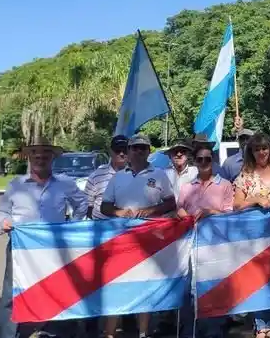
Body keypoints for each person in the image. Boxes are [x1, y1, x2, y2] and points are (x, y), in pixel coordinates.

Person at [0, 136, 88, 338]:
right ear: (29, 156)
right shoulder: (15, 185)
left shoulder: (65, 183)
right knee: (13, 292)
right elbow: (3, 212)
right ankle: (7, 334)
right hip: (21, 248)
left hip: (53, 249)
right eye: (35, 153)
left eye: (46, 153)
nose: (40, 157)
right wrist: (4, 223)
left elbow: (82, 204)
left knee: (55, 290)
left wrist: (71, 227)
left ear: (53, 158)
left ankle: (53, 332)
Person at [100, 134, 177, 338]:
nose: (139, 151)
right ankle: (110, 333)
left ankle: (143, 333)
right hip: (121, 238)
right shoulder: (118, 177)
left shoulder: (159, 174)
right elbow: (104, 206)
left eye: (143, 148)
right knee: (116, 283)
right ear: (129, 151)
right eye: (135, 148)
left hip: (149, 237)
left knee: (144, 283)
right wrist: (118, 212)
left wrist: (151, 211)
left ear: (149, 151)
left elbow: (171, 203)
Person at [233, 133, 270, 338]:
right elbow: (237, 204)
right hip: (254, 238)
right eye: (257, 149)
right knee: (259, 278)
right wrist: (256, 198)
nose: (261, 152)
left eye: (264, 148)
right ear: (251, 151)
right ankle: (261, 324)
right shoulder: (245, 175)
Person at [177, 142, 233, 338]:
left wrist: (211, 212)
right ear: (195, 161)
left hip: (215, 244)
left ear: (213, 161)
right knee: (190, 289)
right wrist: (183, 214)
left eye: (207, 159)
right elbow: (179, 208)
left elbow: (230, 214)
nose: (203, 163)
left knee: (213, 287)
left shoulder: (225, 185)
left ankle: (214, 331)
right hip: (190, 243)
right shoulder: (186, 187)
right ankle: (189, 330)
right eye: (199, 159)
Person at [83, 134, 129, 219]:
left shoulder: (136, 174)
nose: (122, 154)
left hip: (126, 227)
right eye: (117, 150)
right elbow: (87, 205)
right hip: (100, 227)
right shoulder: (96, 176)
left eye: (125, 150)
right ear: (110, 152)